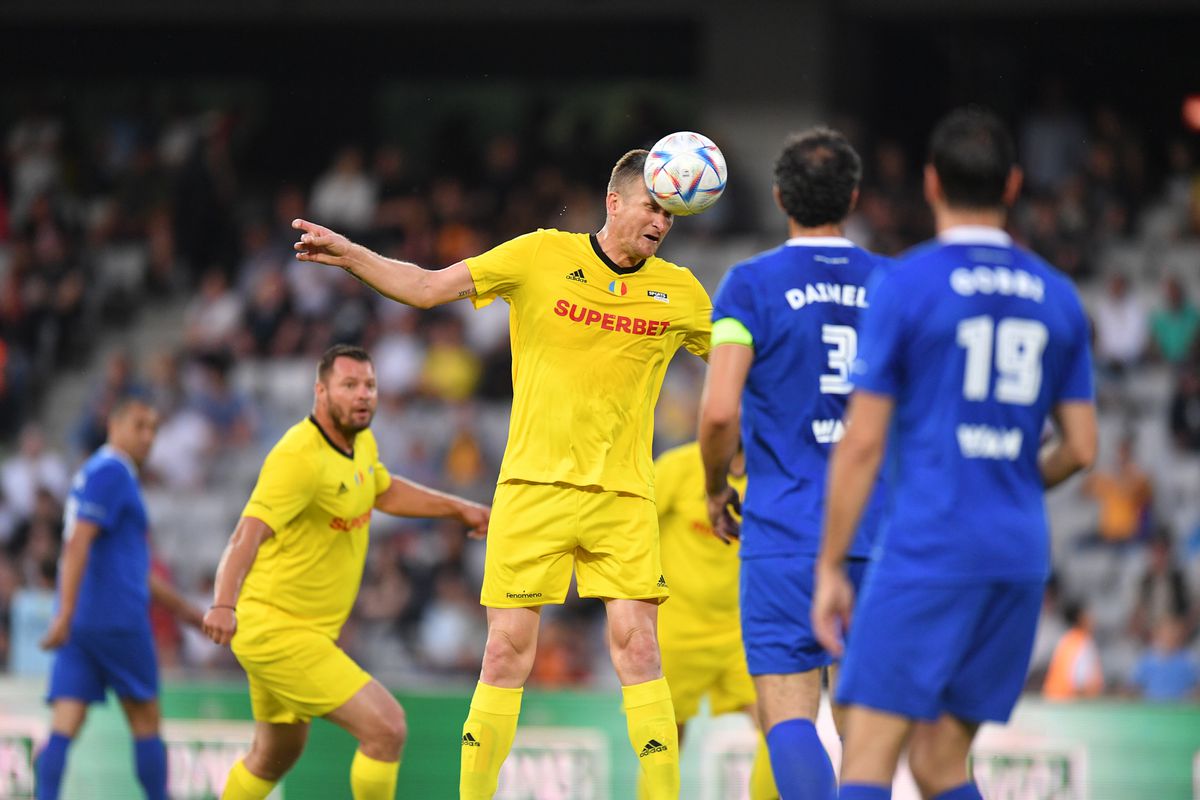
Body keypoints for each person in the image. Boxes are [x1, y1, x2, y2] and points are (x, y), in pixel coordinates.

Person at [293, 147, 713, 799]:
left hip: (624, 496)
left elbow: (745, 363)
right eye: (653, 207)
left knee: (640, 652)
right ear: (615, 202)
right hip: (531, 490)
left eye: (673, 214)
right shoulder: (540, 256)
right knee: (504, 655)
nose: (662, 223)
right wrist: (353, 254)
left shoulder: (681, 293)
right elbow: (431, 288)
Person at [812, 107, 1098, 800]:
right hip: (1016, 556)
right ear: (1014, 185)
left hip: (929, 547)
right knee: (940, 764)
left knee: (867, 760)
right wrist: (1006, 480)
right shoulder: (1057, 296)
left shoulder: (907, 284)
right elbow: (1082, 448)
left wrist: (828, 568)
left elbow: (863, 443)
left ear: (932, 182)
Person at [202, 345, 489, 800]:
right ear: (321, 391)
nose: (363, 396)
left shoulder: (361, 443)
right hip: (276, 629)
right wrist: (222, 603)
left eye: (370, 386)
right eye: (349, 385)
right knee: (387, 728)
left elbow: (383, 490)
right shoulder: (298, 456)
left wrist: (460, 509)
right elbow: (246, 535)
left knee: (274, 754)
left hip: (303, 630)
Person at [698, 127, 886, 800]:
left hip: (782, 532)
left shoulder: (749, 285)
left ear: (779, 196)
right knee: (868, 728)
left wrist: (716, 489)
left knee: (788, 716)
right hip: (876, 535)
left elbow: (719, 412)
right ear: (854, 197)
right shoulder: (892, 283)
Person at [36, 397, 205, 800]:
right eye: (139, 425)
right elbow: (78, 543)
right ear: (114, 425)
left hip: (81, 623)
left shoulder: (93, 472)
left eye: (153, 429)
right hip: (117, 618)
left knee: (65, 722)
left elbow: (129, 568)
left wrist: (186, 612)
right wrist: (64, 613)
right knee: (145, 718)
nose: (148, 437)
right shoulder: (113, 472)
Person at [648, 441, 777, 800]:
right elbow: (635, 528)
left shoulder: (772, 473)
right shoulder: (678, 467)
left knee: (779, 724)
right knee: (663, 738)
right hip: (675, 631)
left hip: (743, 632)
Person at [1042, 602, 1104, 701]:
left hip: (1055, 702)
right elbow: (1079, 682)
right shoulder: (1081, 642)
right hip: (1068, 704)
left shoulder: (1067, 638)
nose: (1093, 619)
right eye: (1088, 615)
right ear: (1080, 618)